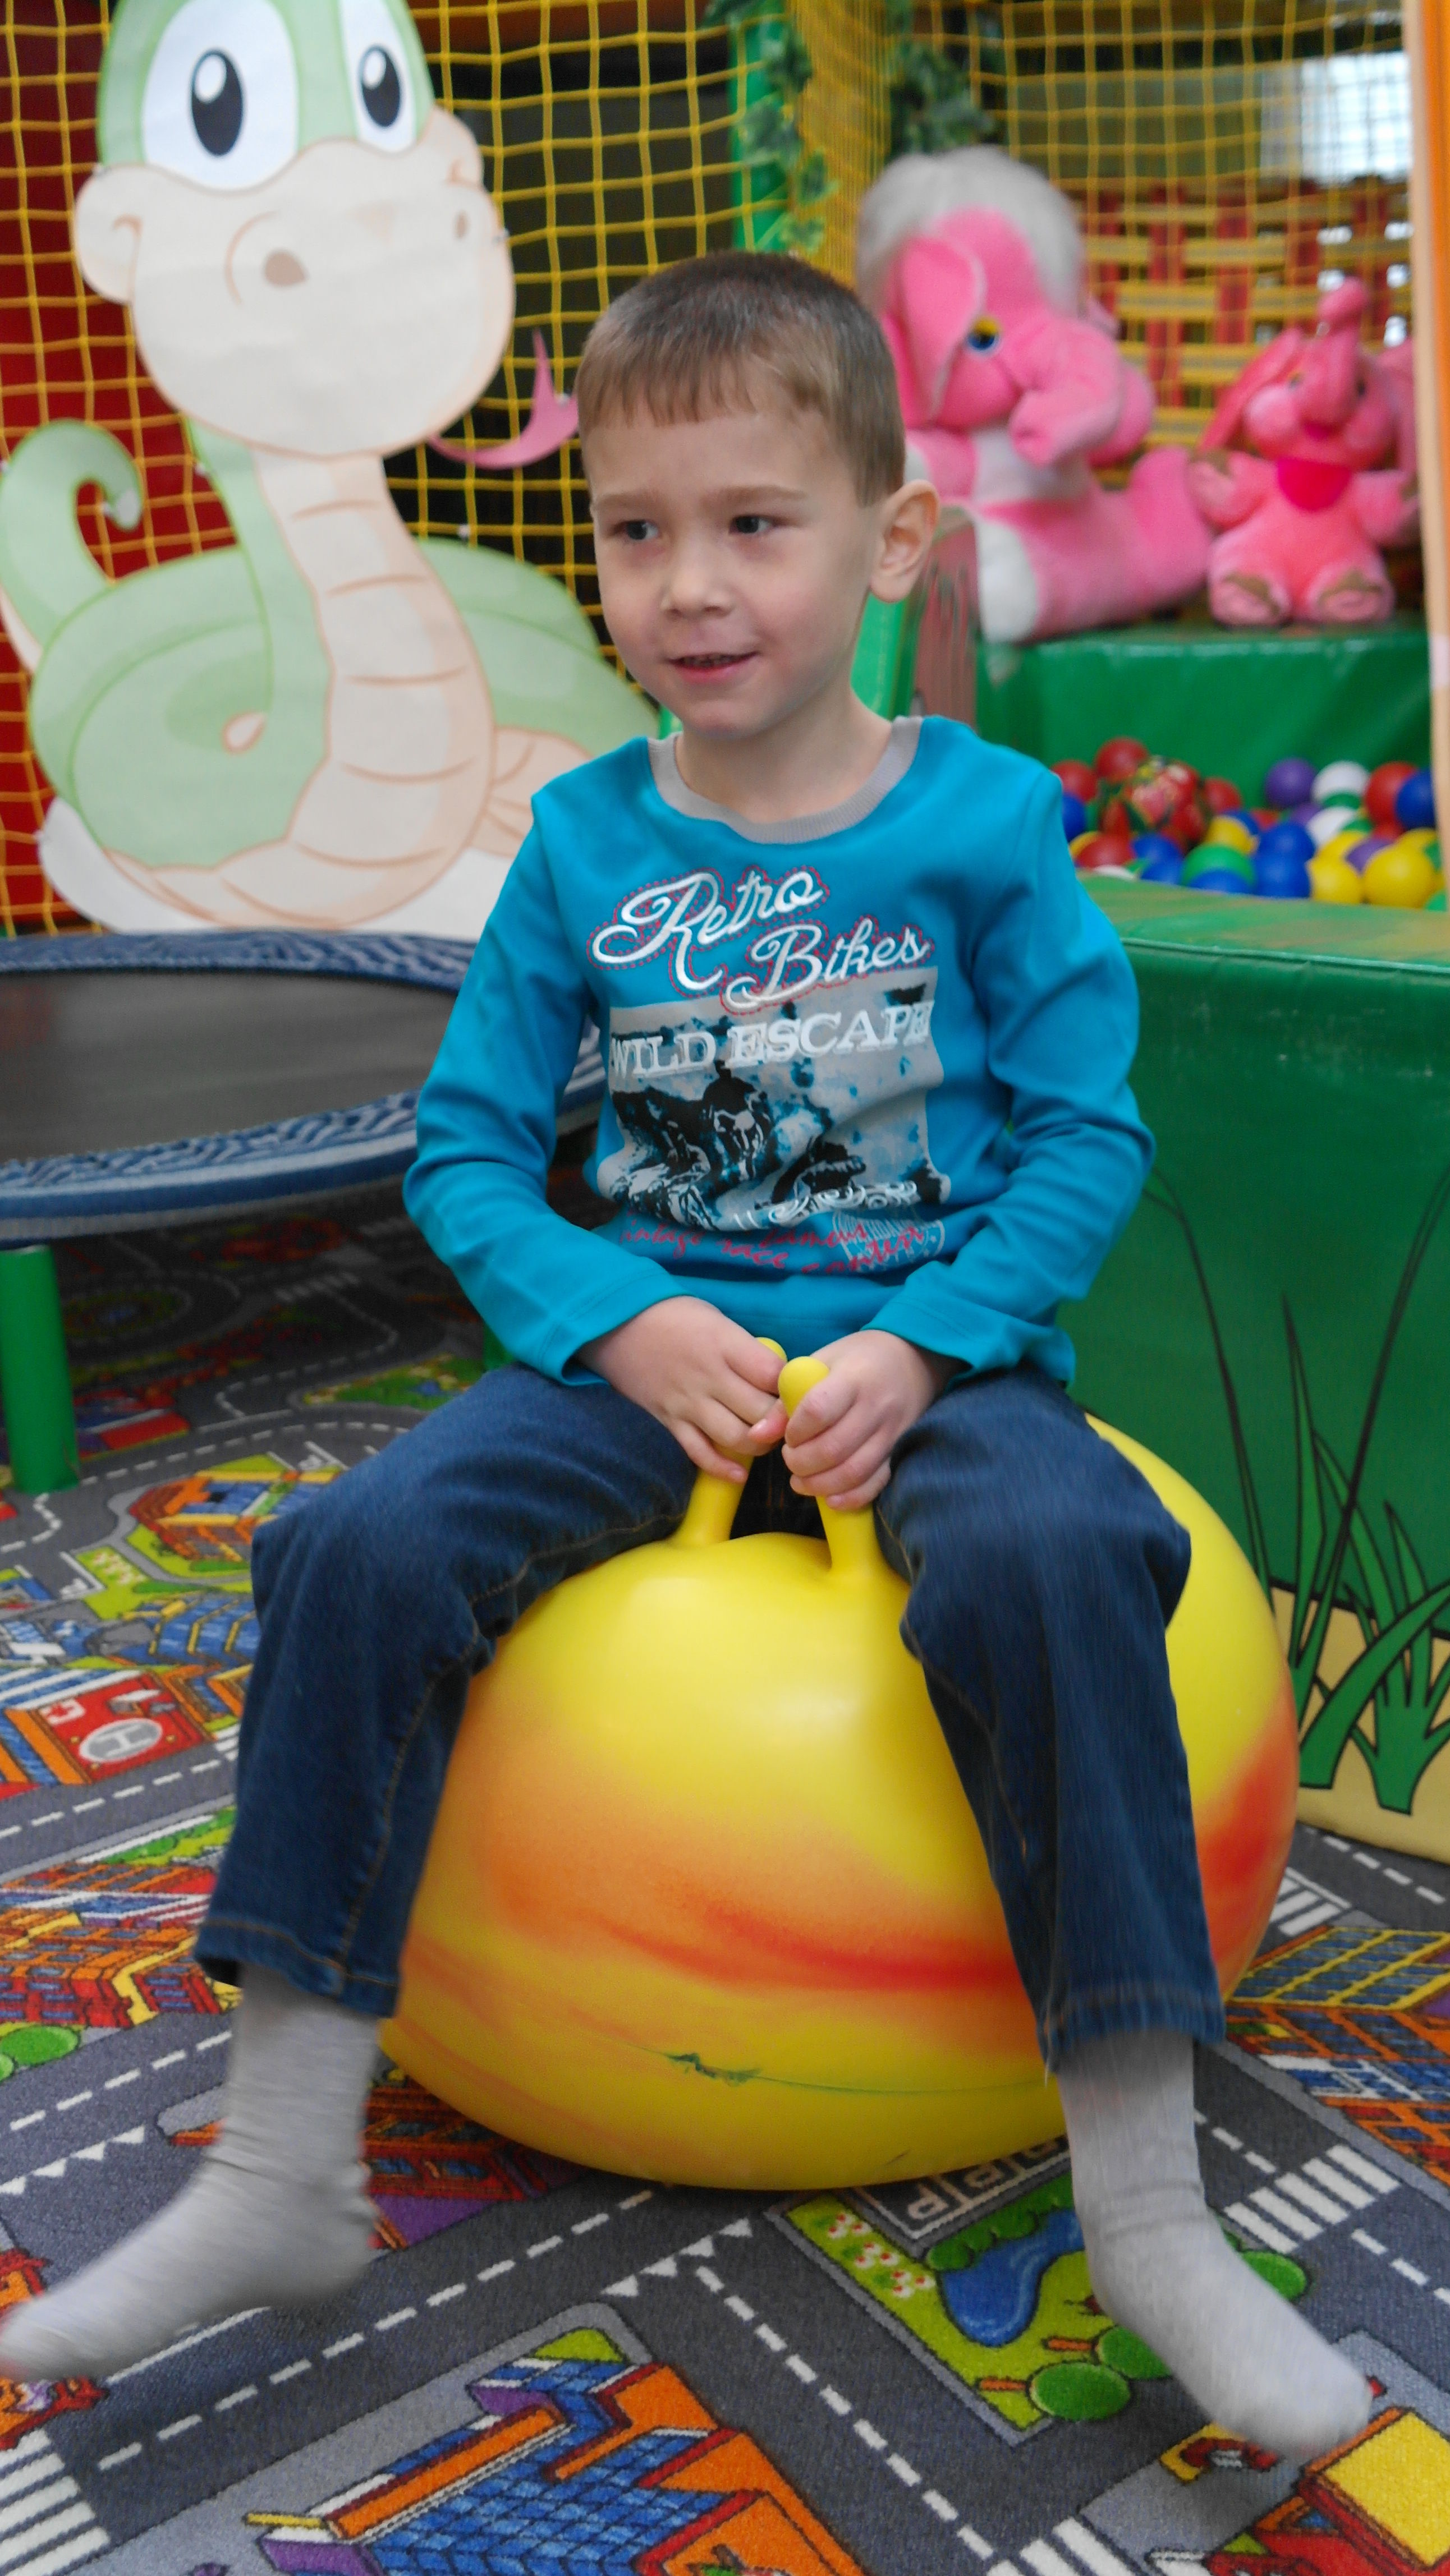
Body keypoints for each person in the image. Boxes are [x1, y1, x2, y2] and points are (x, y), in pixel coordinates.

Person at [0, 253, 1369, 2463]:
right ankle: (280, 2164)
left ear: (889, 540)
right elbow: (466, 1155)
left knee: (1059, 1558)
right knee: (355, 1545)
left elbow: (1084, 1137)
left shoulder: (985, 826)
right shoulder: (583, 841)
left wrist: (931, 1345)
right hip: (646, 1366)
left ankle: (1144, 2208)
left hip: (943, 1365)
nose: (690, 583)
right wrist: (621, 1322)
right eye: (636, 532)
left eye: (753, 523)